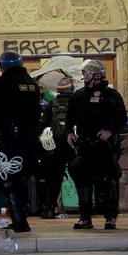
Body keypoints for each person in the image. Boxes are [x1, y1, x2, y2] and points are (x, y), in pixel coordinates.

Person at [0, 50, 42, 233]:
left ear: (2, 65)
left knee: (8, 180)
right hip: (28, 140)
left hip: (6, 140)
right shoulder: (32, 84)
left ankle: (20, 221)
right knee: (21, 178)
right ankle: (23, 217)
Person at [65, 61, 128, 230]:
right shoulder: (78, 95)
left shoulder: (111, 95)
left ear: (96, 74)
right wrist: (69, 132)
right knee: (83, 181)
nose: (83, 75)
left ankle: (110, 218)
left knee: (108, 181)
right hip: (84, 145)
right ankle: (85, 218)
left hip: (105, 145)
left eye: (85, 72)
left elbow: (122, 118)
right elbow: (69, 117)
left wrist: (110, 130)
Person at [36, 77, 76, 219]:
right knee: (81, 178)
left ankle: (48, 209)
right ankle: (86, 212)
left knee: (53, 179)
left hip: (55, 147)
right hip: (73, 145)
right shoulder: (77, 102)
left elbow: (43, 125)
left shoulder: (52, 103)